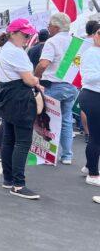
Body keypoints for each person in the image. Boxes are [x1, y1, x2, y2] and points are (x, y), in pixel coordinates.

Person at [0, 18, 43, 199]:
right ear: (13, 33)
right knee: (22, 141)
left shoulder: (3, 49)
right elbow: (29, 79)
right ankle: (18, 184)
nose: (27, 37)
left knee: (9, 139)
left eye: (29, 34)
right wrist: (36, 81)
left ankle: (9, 179)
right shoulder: (16, 52)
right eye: (24, 34)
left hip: (7, 96)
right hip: (19, 97)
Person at [34, 13, 78, 165]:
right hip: (71, 86)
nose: (48, 28)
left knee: (48, 120)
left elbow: (44, 64)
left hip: (54, 86)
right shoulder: (74, 42)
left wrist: (35, 77)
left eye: (50, 25)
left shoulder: (52, 42)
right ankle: (67, 155)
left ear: (56, 27)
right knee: (66, 121)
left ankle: (47, 155)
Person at [80, 21, 100, 186]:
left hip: (94, 96)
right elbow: (88, 78)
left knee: (96, 136)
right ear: (94, 35)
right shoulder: (91, 53)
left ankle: (89, 166)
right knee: (96, 137)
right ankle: (93, 173)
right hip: (93, 96)